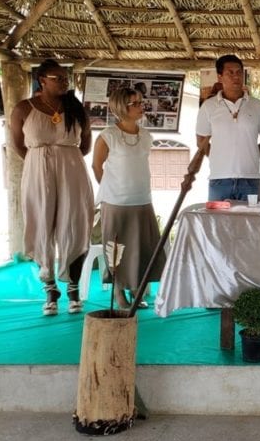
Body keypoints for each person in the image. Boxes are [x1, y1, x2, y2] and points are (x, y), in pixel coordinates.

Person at [10, 59, 94, 316]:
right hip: (37, 171)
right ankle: (50, 289)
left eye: (65, 77)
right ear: (42, 80)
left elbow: (86, 144)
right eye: (57, 77)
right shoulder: (24, 108)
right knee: (40, 224)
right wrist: (40, 163)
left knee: (75, 225)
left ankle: (73, 288)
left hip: (73, 170)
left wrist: (63, 159)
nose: (64, 81)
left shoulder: (77, 108)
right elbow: (17, 144)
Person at [91, 87, 166, 309]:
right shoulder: (107, 136)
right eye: (135, 103)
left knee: (141, 248)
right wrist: (112, 189)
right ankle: (117, 290)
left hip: (142, 199)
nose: (141, 107)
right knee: (116, 249)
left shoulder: (146, 136)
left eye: (141, 102)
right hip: (115, 202)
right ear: (121, 107)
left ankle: (136, 288)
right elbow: (96, 167)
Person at [196, 54, 260, 201]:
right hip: (219, 179)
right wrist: (219, 156)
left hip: (250, 179)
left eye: (239, 72)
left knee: (250, 223)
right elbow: (201, 142)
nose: (235, 76)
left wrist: (251, 154)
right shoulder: (208, 106)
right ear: (219, 77)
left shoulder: (257, 106)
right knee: (218, 223)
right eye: (230, 73)